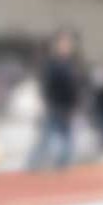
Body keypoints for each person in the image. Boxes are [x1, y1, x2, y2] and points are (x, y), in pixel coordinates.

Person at [26, 28, 86, 171]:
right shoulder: (52, 63)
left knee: (67, 138)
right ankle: (32, 165)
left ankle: (62, 166)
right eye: (64, 43)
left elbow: (78, 85)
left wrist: (77, 103)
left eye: (69, 43)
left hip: (69, 106)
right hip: (54, 105)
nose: (67, 46)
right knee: (45, 137)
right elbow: (46, 84)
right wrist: (45, 102)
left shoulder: (73, 63)